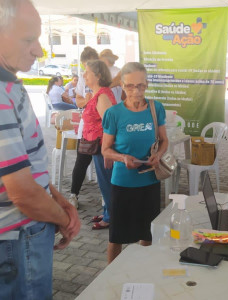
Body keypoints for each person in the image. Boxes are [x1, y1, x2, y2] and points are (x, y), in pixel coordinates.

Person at [0, 0, 80, 298]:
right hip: (18, 239)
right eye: (28, 39)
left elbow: (29, 166)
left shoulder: (9, 85)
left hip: (23, 235)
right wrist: (64, 220)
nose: (39, 50)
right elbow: (21, 192)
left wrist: (58, 199)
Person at [102, 62, 168, 263]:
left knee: (147, 233)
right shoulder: (114, 113)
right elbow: (105, 149)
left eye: (140, 86)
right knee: (117, 236)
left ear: (147, 84)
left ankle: (144, 269)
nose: (136, 91)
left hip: (149, 181)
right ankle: (110, 278)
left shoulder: (156, 108)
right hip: (123, 182)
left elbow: (164, 140)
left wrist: (159, 155)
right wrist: (123, 158)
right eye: (130, 86)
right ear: (122, 85)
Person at [82, 59, 117, 230]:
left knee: (107, 182)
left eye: (87, 72)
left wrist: (108, 150)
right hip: (99, 146)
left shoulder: (102, 95)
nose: (84, 75)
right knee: (105, 182)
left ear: (98, 75)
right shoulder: (98, 93)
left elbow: (110, 125)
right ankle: (108, 212)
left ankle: (111, 217)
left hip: (103, 147)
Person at [68, 47, 99, 208]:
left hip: (103, 129)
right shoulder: (82, 78)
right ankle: (74, 195)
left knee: (105, 165)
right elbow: (78, 101)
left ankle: (108, 199)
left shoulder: (106, 78)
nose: (87, 71)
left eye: (91, 65)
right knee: (81, 161)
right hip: (87, 128)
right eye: (85, 66)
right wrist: (87, 100)